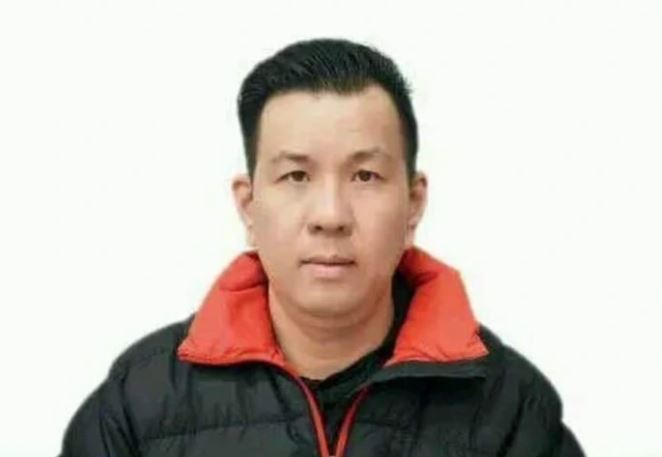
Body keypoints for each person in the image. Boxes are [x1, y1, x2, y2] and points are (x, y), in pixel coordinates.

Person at [58, 37, 585, 457]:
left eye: (364, 175)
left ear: (413, 204)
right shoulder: (140, 403)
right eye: (296, 176)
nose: (330, 215)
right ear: (248, 205)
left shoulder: (511, 410)